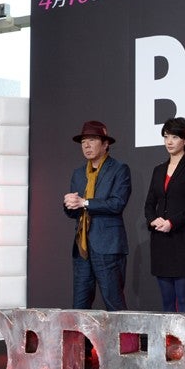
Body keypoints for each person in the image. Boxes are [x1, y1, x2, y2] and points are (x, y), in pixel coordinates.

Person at [64, 120, 132, 311]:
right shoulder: (78, 173)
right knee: (79, 305)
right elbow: (74, 211)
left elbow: (117, 203)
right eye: (83, 141)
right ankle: (80, 333)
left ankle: (123, 334)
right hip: (82, 247)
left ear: (105, 143)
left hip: (108, 246)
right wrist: (69, 204)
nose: (86, 145)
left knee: (114, 303)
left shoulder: (119, 169)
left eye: (92, 140)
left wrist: (85, 202)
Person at [144, 117, 185, 312]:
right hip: (160, 240)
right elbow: (149, 203)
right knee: (167, 301)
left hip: (182, 238)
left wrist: (172, 222)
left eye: (174, 137)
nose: (169, 142)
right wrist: (153, 220)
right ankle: (168, 333)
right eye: (166, 137)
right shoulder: (158, 170)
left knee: (184, 297)